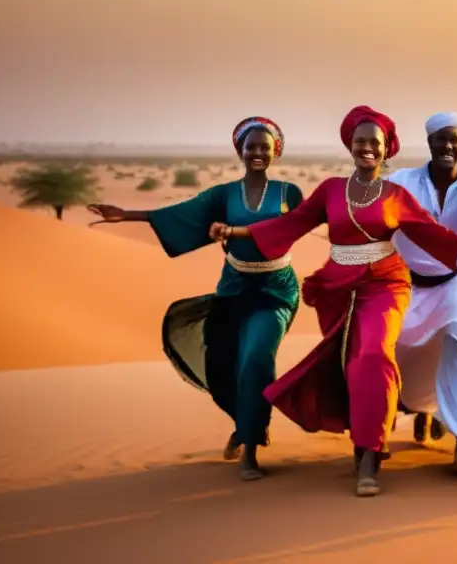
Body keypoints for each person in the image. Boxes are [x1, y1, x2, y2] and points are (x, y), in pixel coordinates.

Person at [210, 105, 457, 497]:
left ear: (387, 151)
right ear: (350, 146)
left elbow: (437, 235)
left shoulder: (396, 195)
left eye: (375, 143)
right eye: (360, 142)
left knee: (373, 355)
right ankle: (367, 435)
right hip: (338, 286)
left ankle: (370, 455)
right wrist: (235, 230)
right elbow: (291, 223)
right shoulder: (331, 190)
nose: (367, 148)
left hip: (385, 284)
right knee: (351, 364)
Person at [87, 117, 302, 481]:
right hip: (234, 288)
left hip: (275, 290)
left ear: (276, 151)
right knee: (222, 366)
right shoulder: (224, 195)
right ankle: (244, 422)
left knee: (256, 360)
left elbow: (304, 223)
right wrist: (127, 215)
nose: (258, 153)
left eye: (265, 147)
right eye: (251, 146)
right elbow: (182, 214)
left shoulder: (288, 193)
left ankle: (250, 448)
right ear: (240, 150)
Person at [388, 112, 457, 476]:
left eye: (456, 140)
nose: (449, 146)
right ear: (430, 142)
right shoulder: (402, 181)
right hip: (409, 282)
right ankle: (420, 408)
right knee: (399, 345)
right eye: (442, 139)